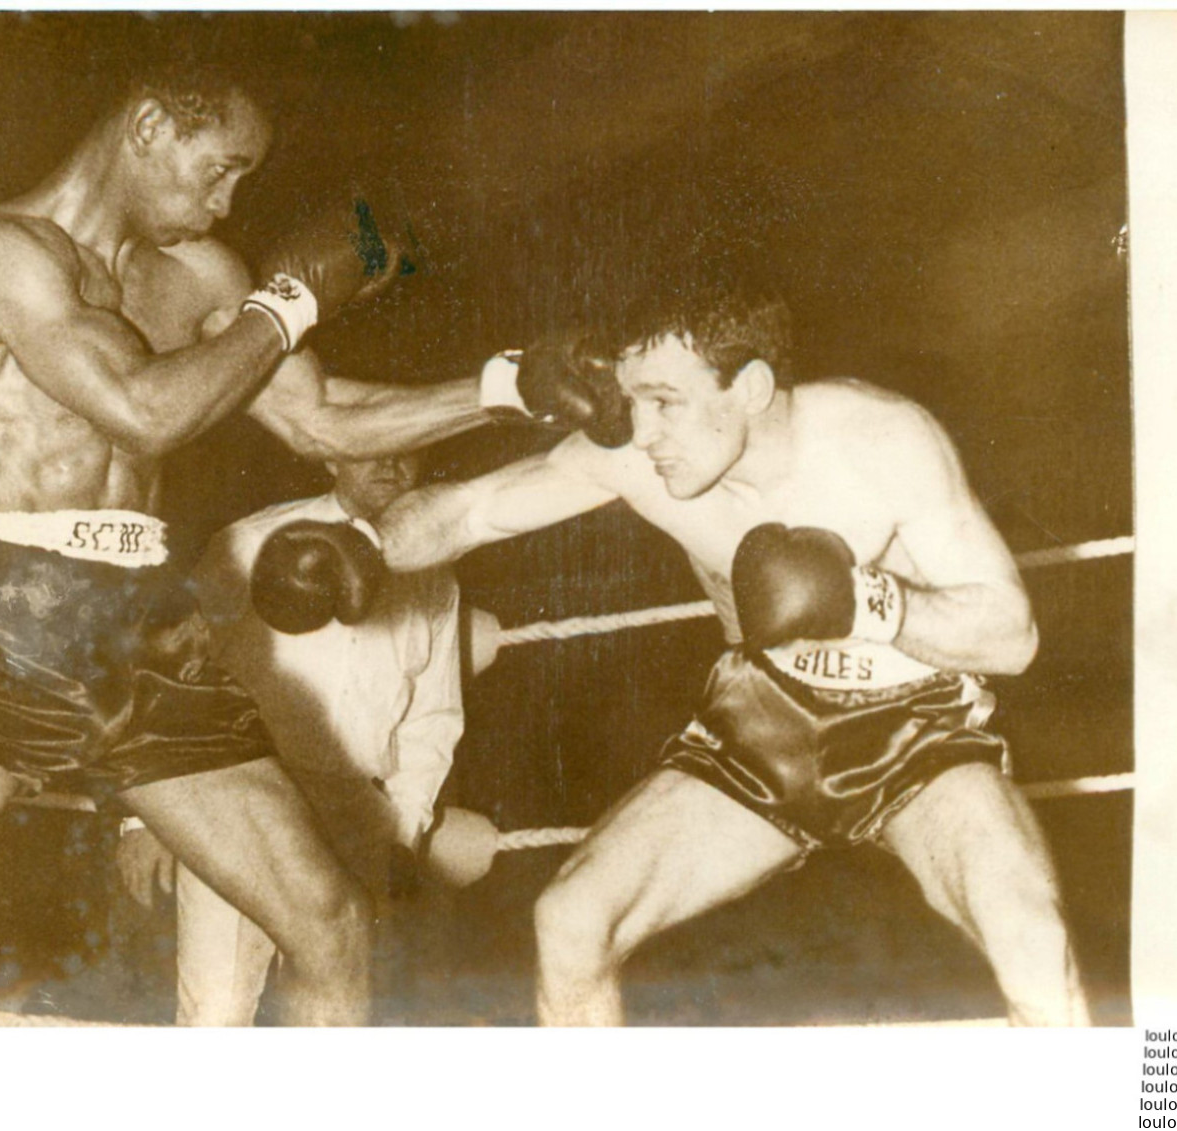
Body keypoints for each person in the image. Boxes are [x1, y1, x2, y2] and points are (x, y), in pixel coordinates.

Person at [0, 59, 574, 1025]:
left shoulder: (202, 279)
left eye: (243, 182)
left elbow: (326, 424)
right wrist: (293, 303)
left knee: (331, 919)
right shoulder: (3, 256)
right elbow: (143, 413)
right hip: (10, 622)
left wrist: (509, 388)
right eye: (218, 169)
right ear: (147, 129)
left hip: (148, 634)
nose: (226, 204)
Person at [289, 288, 1092, 1026]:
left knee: (1030, 936)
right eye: (635, 402)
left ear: (746, 388)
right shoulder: (640, 455)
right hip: (763, 723)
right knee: (570, 919)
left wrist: (867, 600)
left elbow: (1011, 636)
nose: (644, 431)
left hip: (916, 730)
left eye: (667, 402)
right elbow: (470, 511)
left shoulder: (879, 438)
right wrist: (362, 546)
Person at [117, 449, 462, 1025]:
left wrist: (404, 830)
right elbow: (169, 671)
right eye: (370, 447)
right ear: (330, 453)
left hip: (359, 810)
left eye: (409, 451)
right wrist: (143, 817)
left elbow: (433, 715)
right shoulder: (250, 542)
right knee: (217, 1009)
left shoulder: (434, 573)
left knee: (333, 1012)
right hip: (246, 793)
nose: (391, 465)